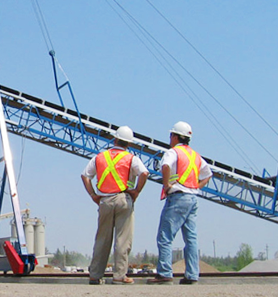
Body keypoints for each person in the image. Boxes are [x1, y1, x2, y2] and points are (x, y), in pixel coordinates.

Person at [81, 126, 149, 285]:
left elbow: (85, 176)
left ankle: (95, 275)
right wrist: (136, 191)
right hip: (123, 199)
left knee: (102, 239)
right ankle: (119, 276)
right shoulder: (131, 158)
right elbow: (144, 173)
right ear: (128, 143)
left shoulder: (99, 157)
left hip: (104, 200)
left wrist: (93, 195)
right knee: (122, 239)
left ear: (115, 139)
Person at [148, 121, 212, 285]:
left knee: (165, 236)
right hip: (193, 198)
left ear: (175, 136)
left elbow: (165, 166)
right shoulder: (195, 155)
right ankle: (192, 274)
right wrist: (197, 186)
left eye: (171, 135)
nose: (170, 138)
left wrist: (166, 184)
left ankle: (164, 272)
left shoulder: (173, 152)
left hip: (178, 197)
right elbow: (208, 174)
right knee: (191, 238)